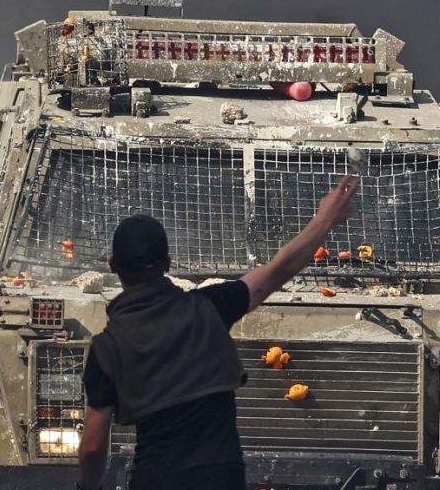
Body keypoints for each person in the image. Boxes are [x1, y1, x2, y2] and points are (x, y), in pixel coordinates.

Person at [77, 176, 360, 490]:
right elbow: (281, 268)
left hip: (156, 478)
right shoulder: (210, 307)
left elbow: (91, 447)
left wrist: (88, 487)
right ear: (168, 264)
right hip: (220, 476)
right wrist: (324, 220)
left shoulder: (106, 349)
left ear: (113, 265)